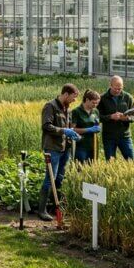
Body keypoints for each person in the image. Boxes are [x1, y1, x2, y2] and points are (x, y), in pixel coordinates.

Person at [38, 83, 80, 221]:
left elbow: (67, 126)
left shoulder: (67, 108)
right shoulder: (50, 106)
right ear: (66, 94)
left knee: (60, 177)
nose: (75, 100)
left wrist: (72, 133)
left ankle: (54, 206)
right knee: (50, 178)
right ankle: (42, 210)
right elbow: (46, 126)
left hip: (64, 148)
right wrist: (63, 131)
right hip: (53, 148)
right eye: (73, 97)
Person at [97, 75, 134, 161]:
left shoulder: (128, 97)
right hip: (109, 136)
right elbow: (97, 117)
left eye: (120, 88)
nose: (118, 90)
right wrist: (110, 117)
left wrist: (125, 118)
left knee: (132, 161)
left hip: (125, 136)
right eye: (115, 88)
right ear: (110, 85)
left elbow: (133, 116)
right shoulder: (102, 98)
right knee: (110, 162)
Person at [70, 89, 102, 163]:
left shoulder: (96, 111)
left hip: (93, 144)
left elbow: (97, 124)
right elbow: (72, 129)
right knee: (80, 167)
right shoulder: (76, 111)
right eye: (93, 103)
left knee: (92, 166)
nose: (95, 105)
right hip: (81, 145)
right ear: (87, 100)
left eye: (97, 103)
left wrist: (97, 128)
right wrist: (88, 130)